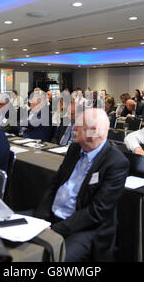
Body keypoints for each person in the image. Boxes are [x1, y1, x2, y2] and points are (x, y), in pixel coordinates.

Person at [34, 108, 130, 261]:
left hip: (85, 229)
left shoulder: (115, 162)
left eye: (79, 125)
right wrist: (41, 218)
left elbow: (96, 212)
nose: (73, 128)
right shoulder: (75, 148)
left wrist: (56, 229)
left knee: (52, 259)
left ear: (94, 131)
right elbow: (55, 184)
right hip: (53, 216)